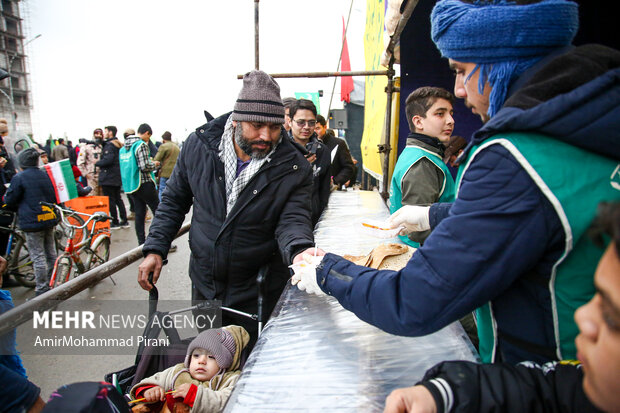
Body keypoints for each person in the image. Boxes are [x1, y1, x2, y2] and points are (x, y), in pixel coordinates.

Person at [298, 0, 620, 365]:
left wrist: (328, 270)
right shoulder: (595, 126)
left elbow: (415, 300)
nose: (460, 90)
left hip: (542, 378)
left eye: (461, 70)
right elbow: (540, 207)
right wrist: (433, 215)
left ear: (499, 63)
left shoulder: (513, 156)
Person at [383, 202, 620, 413]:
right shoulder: (583, 385)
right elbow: (542, 391)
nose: (582, 315)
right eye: (596, 295)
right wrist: (444, 393)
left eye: (611, 317)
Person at [138, 70, 317, 349]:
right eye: (257, 125)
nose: (266, 136)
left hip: (257, 287)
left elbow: (292, 220)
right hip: (204, 283)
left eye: (274, 127)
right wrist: (155, 248)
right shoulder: (199, 147)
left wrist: (300, 250)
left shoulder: (294, 166)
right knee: (208, 357)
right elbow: (174, 201)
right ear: (236, 120)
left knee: (247, 361)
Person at [388, 87, 456, 247]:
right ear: (418, 121)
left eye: (451, 113)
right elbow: (420, 232)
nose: (451, 121)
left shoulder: (419, 153)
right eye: (440, 114)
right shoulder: (422, 162)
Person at [130, 326, 249, 412]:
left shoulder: (229, 379)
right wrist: (149, 391)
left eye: (211, 357)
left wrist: (195, 395)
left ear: (224, 362)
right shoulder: (178, 371)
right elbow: (153, 380)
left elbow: (226, 401)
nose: (201, 361)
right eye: (196, 355)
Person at [3, 148, 58, 296]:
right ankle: (53, 281)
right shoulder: (44, 174)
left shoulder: (19, 178)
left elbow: (9, 200)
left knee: (37, 256)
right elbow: (53, 196)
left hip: (31, 221)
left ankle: (41, 289)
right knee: (51, 253)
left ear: (22, 163)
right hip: (48, 218)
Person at [288, 99, 331, 226]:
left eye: (311, 123)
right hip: (285, 220)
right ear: (290, 122)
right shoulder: (279, 150)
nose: (306, 127)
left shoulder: (322, 151)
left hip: (312, 218)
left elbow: (324, 191)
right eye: (301, 122)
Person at [119, 123, 160, 245]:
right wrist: (155, 164)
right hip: (145, 183)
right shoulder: (140, 145)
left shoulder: (123, 149)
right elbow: (144, 166)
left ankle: (141, 243)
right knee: (158, 212)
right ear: (147, 133)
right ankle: (159, 241)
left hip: (132, 185)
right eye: (149, 136)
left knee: (139, 214)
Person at [96, 125, 128, 229]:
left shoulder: (110, 145)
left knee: (111, 200)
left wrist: (97, 163)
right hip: (117, 176)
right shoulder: (118, 144)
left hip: (109, 177)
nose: (103, 134)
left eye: (105, 131)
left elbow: (108, 160)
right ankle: (124, 220)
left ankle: (115, 221)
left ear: (110, 132)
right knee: (118, 199)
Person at [315, 115, 355, 190]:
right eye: (312, 129)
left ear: (325, 127)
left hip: (332, 190)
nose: (315, 132)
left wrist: (335, 181)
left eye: (317, 128)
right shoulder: (305, 144)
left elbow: (349, 167)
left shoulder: (338, 143)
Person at [153, 131, 180, 201]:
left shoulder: (164, 146)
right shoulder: (177, 147)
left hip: (165, 172)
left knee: (162, 189)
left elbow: (157, 159)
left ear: (163, 139)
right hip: (175, 172)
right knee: (174, 191)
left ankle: (163, 207)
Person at [77, 128, 103, 195]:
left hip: (102, 174)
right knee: (93, 195)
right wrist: (85, 173)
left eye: (100, 134)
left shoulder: (103, 146)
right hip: (91, 175)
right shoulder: (86, 147)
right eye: (97, 133)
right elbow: (80, 162)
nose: (98, 135)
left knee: (103, 197)